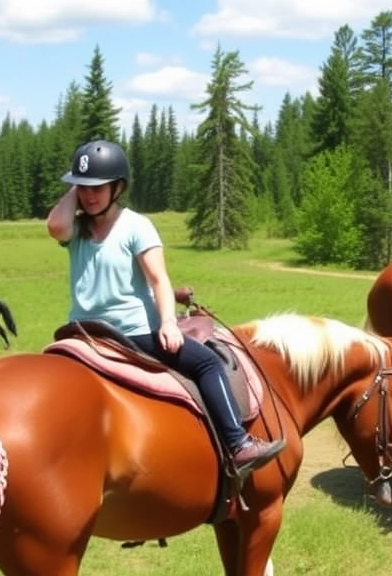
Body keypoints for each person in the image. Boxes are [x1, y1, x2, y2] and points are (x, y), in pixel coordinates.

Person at [47, 139, 285, 474]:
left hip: (136, 330)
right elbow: (55, 224)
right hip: (99, 331)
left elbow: (158, 280)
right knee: (209, 364)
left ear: (118, 187)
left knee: (204, 362)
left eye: (98, 187)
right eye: (83, 188)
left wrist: (169, 323)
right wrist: (77, 183)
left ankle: (235, 444)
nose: (89, 195)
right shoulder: (78, 228)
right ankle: (239, 443)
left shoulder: (136, 226)